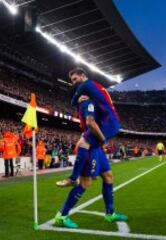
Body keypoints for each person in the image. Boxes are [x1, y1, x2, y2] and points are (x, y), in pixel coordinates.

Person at [54, 69, 127, 228]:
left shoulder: (87, 95)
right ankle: (62, 214)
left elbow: (76, 103)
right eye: (72, 80)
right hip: (92, 145)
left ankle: (110, 213)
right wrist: (102, 139)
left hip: (96, 145)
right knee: (85, 182)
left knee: (108, 176)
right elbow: (90, 123)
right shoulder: (88, 102)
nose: (74, 82)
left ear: (83, 76)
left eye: (75, 79)